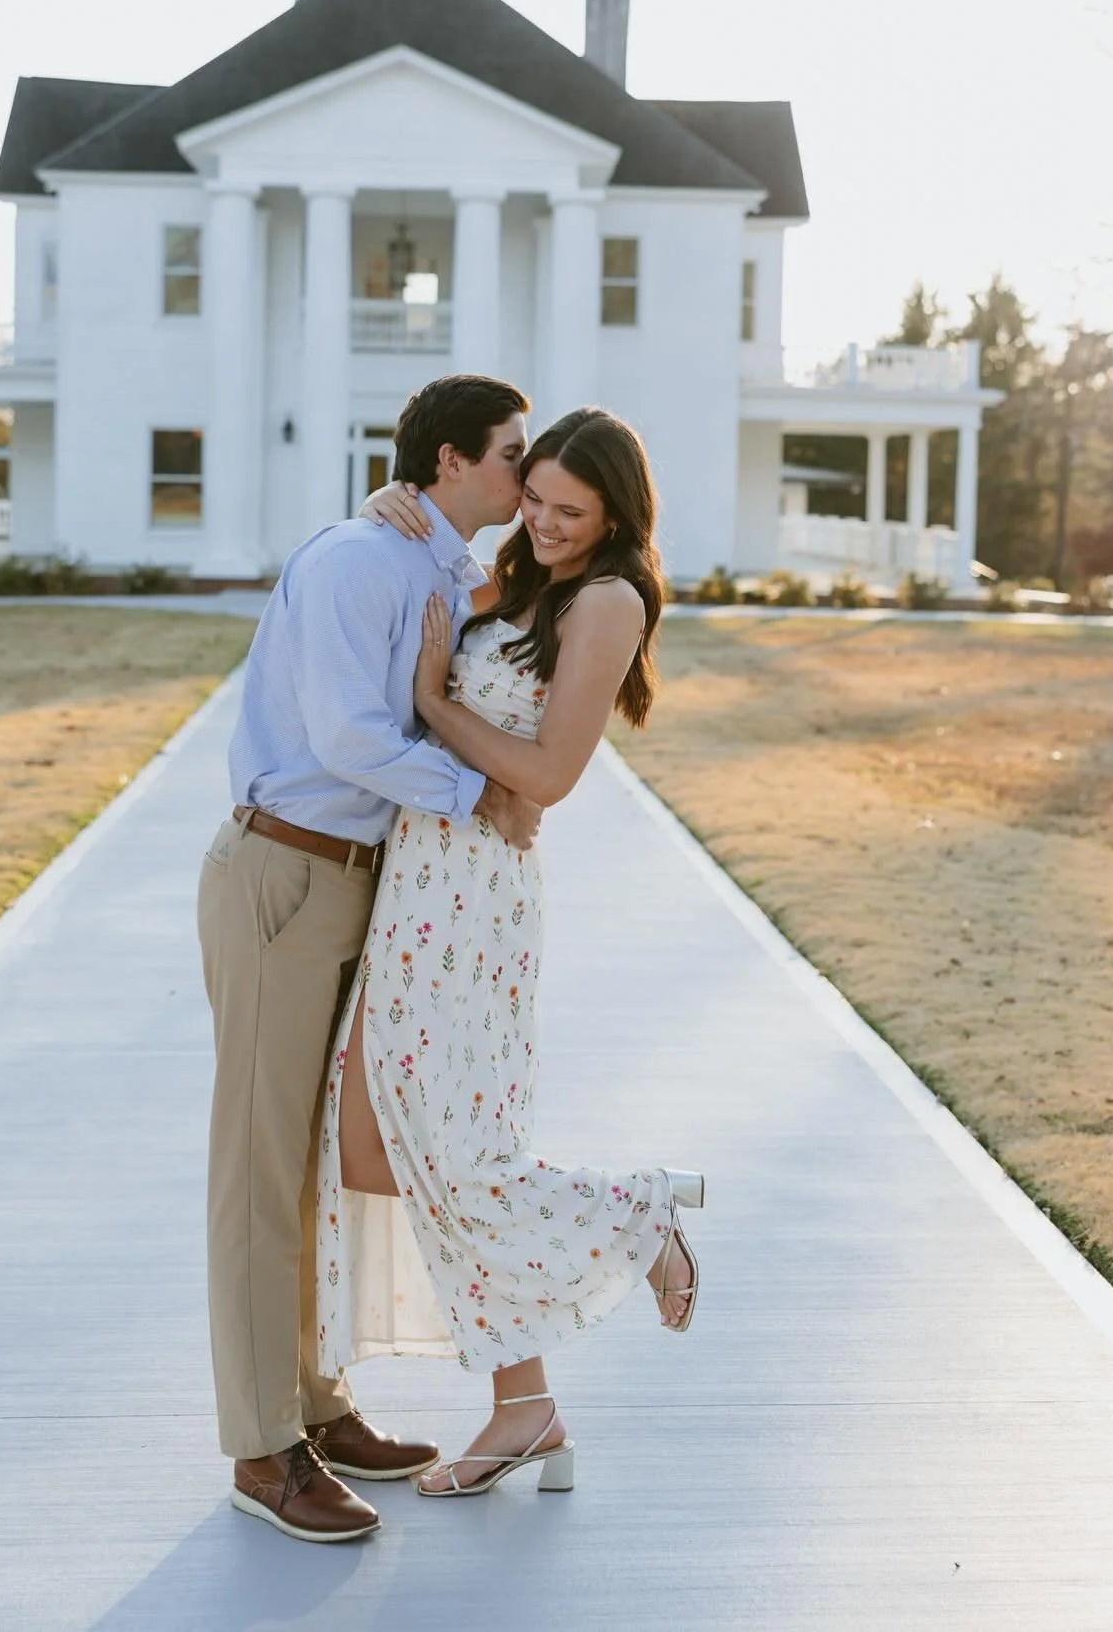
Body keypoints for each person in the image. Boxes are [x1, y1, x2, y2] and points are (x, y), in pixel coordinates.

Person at [316, 406, 703, 1497]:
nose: (542, 522)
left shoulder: (607, 601)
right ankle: (524, 1401)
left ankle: (636, 1216)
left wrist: (434, 704)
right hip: (419, 875)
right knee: (377, 1146)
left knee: (445, 1150)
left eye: (570, 511)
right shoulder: (518, 576)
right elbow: (417, 605)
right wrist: (384, 508)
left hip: (473, 898)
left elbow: (548, 775)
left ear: (616, 515)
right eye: (533, 498)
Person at [197, 373, 545, 1543]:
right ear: (451, 460)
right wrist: (478, 792)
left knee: (313, 1166)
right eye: (511, 453)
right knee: (259, 1170)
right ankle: (262, 1447)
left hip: (361, 886)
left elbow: (505, 590)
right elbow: (348, 732)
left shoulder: (434, 560)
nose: (525, 472)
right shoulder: (360, 559)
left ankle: (315, 1401)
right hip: (285, 873)